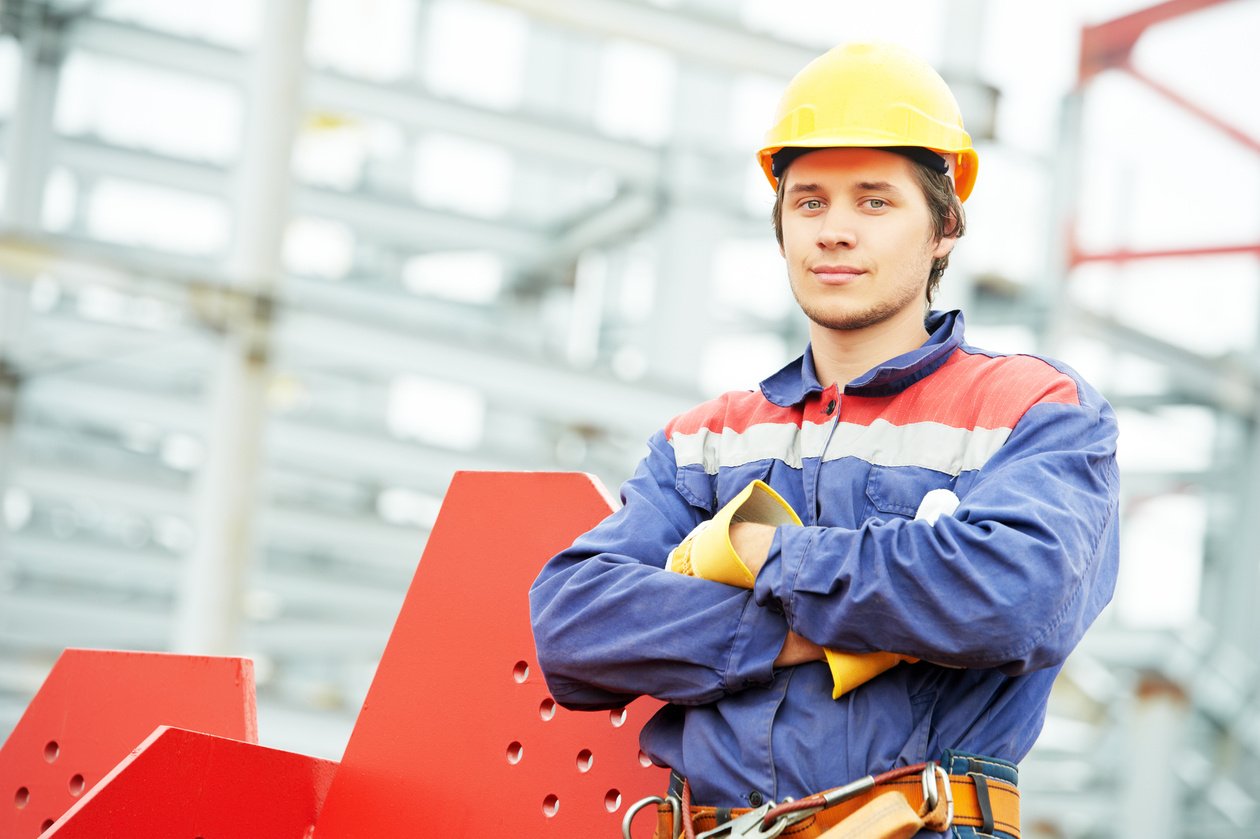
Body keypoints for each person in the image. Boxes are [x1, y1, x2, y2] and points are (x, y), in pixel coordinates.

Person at [530, 40, 1119, 839]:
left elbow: (1011, 598)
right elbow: (576, 626)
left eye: (874, 202)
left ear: (945, 227)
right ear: (781, 227)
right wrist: (819, 626)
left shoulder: (1033, 407)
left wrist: (760, 557)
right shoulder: (707, 438)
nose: (835, 230)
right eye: (810, 202)